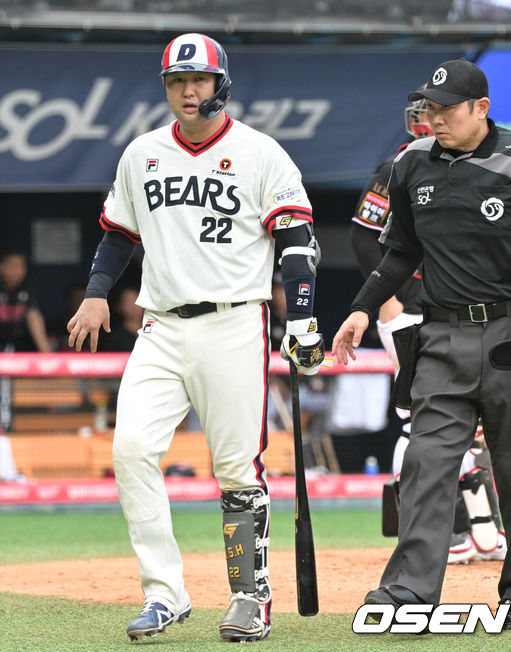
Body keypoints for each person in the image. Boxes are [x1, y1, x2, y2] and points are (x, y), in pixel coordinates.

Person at [67, 32, 324, 643]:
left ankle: (249, 597)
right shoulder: (142, 153)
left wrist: (304, 317)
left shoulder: (261, 153)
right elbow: (118, 232)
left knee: (237, 466)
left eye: (199, 80)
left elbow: (295, 239)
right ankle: (165, 593)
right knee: (130, 448)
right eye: (176, 81)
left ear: (220, 85)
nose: (187, 90)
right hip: (159, 325)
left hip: (235, 322)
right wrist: (98, 290)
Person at [332, 59, 511, 629]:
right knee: (425, 460)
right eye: (430, 107)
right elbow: (398, 251)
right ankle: (408, 592)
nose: (434, 118)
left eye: (446, 109)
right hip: (439, 334)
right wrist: (362, 309)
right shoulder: (410, 163)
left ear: (482, 109)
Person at [351, 92, 505, 564]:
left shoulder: (479, 165)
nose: (429, 120)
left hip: (455, 304)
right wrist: (387, 304)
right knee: (418, 422)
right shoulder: (397, 166)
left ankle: (479, 526)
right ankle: (451, 531)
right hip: (409, 308)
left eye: (437, 111)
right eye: (422, 113)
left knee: (471, 423)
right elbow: (362, 236)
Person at [0, 249, 51, 353]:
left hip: (16, 341)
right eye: (13, 266)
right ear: (2, 267)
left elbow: (34, 315)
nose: (17, 271)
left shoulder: (26, 289)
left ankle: (47, 356)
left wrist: (47, 353)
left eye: (21, 266)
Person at [99, 286, 144, 352]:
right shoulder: (114, 339)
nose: (134, 305)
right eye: (128, 301)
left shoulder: (153, 331)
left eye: (136, 300)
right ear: (118, 307)